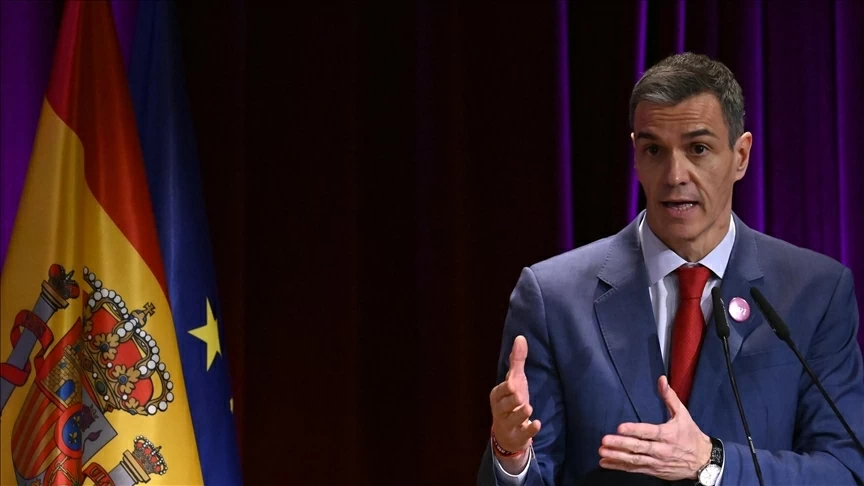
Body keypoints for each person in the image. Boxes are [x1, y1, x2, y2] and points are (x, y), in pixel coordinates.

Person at [477, 52, 864, 486]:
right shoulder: (553, 298)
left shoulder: (814, 293)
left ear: (740, 155)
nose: (675, 175)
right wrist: (511, 456)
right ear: (635, 156)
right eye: (654, 150)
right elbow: (533, 469)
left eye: (698, 149)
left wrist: (713, 462)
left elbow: (845, 470)